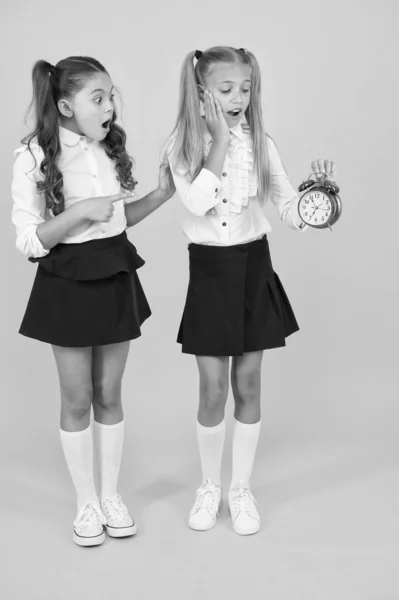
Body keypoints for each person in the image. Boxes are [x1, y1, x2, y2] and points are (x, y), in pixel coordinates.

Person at [166, 46, 336, 536]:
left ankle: (240, 488)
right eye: (226, 89)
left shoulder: (262, 141)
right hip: (210, 271)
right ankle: (209, 486)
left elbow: (287, 207)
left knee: (249, 385)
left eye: (245, 87)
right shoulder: (181, 143)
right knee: (213, 388)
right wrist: (218, 142)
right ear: (201, 94)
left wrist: (316, 200)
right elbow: (197, 203)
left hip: (254, 265)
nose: (239, 97)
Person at [11, 56, 175, 546]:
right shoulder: (33, 158)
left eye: (111, 96)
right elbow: (28, 241)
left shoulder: (106, 150)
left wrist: (162, 194)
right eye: (98, 98)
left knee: (109, 393)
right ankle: (86, 503)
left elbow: (119, 220)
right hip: (66, 280)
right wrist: (79, 211)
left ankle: (110, 496)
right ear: (65, 105)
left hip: (113, 272)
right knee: (77, 398)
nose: (109, 107)